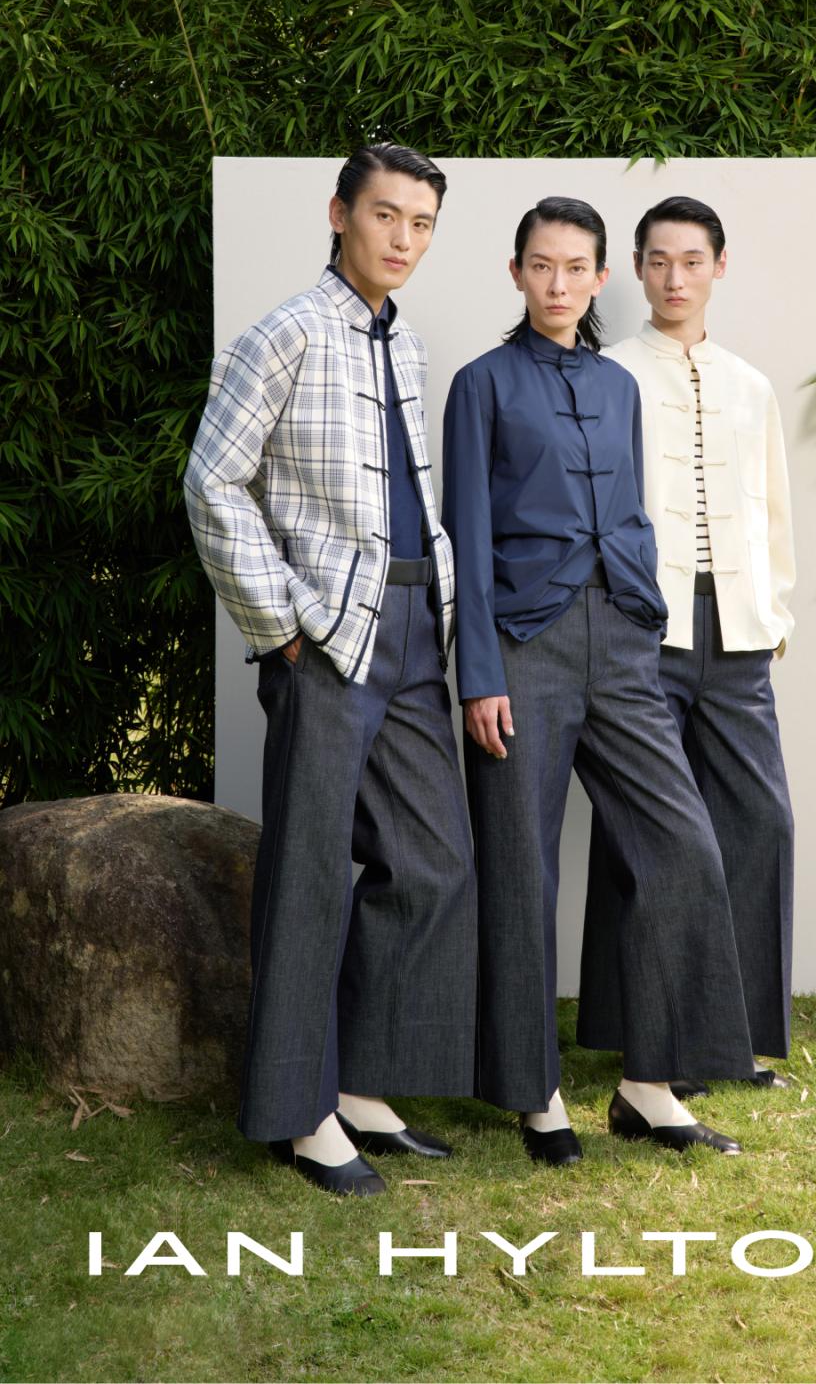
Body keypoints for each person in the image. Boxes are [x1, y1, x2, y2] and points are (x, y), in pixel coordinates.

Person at [184, 143, 477, 1195]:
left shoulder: (408, 345)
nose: (403, 237)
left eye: (421, 222)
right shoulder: (286, 331)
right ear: (339, 212)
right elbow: (212, 483)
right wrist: (279, 624)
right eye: (385, 214)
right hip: (327, 635)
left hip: (416, 627)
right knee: (310, 874)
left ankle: (360, 1084)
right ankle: (301, 1116)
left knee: (433, 863)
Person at [442, 196, 756, 1165]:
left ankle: (648, 1085)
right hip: (521, 652)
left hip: (621, 644)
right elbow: (467, 536)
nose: (559, 284)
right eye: (541, 266)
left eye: (576, 267)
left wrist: (645, 614)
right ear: (516, 273)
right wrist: (479, 675)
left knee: (681, 848)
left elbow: (632, 513)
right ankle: (535, 1096)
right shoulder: (481, 384)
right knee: (521, 871)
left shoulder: (617, 386)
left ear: (600, 278)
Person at [579, 195, 796, 1094]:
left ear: (719, 266)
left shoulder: (749, 385)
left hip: (737, 632)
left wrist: (774, 615)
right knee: (645, 838)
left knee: (760, 825)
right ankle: (650, 1044)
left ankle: (732, 1042)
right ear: (636, 268)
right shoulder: (609, 376)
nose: (676, 278)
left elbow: (774, 512)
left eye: (692, 260)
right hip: (644, 629)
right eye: (659, 261)